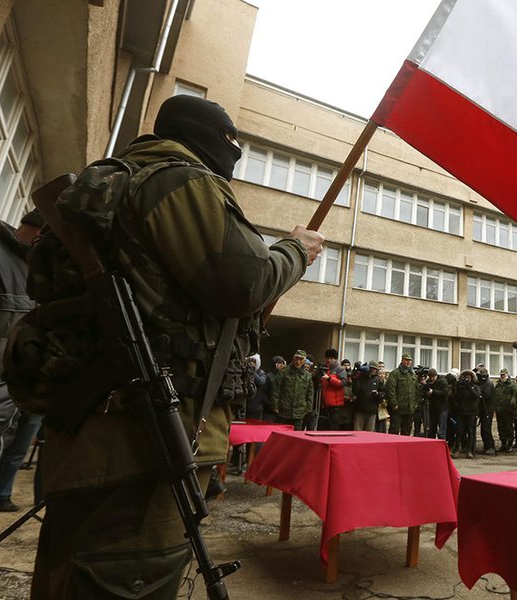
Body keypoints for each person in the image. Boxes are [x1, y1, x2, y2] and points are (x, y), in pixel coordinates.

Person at [30, 95, 322, 598]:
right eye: (232, 142)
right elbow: (244, 282)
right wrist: (296, 249)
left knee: (76, 573)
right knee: (130, 576)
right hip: (146, 438)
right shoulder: (179, 180)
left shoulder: (115, 184)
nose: (234, 154)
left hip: (98, 431)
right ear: (205, 136)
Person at [0, 209, 44, 513]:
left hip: (30, 375)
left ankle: (1, 493)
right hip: (1, 377)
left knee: (21, 440)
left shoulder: (40, 266)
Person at [272, 349, 314, 430]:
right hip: (284, 411)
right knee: (282, 436)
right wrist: (275, 406)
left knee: (296, 437)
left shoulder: (307, 376)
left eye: (301, 359)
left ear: (304, 361)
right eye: (296, 359)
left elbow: (310, 393)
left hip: (299, 413)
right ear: (293, 359)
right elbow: (276, 390)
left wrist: (308, 408)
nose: (298, 362)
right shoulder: (284, 372)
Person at [387, 353, 419, 435]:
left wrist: (415, 404)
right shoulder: (395, 373)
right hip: (398, 409)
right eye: (406, 360)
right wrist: (394, 404)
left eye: (410, 360)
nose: (408, 362)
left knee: (407, 431)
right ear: (402, 361)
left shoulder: (413, 374)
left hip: (410, 408)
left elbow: (417, 390)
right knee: (394, 430)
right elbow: (391, 389)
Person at [319, 349, 348, 430]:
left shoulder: (340, 370)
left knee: (333, 428)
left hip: (335, 406)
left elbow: (342, 383)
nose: (329, 360)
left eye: (331, 358)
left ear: (335, 359)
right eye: (327, 358)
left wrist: (329, 379)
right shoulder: (325, 369)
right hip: (325, 405)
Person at [352, 361, 384, 432]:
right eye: (371, 368)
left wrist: (377, 394)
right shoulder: (361, 378)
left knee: (370, 432)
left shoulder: (378, 380)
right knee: (357, 431)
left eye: (374, 369)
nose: (373, 370)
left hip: (372, 410)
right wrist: (355, 378)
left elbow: (383, 393)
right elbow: (355, 391)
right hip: (360, 409)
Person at [493, 369, 517, 452]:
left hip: (508, 410)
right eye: (501, 375)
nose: (502, 376)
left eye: (504, 374)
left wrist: (512, 402)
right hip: (499, 410)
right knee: (501, 428)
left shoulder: (511, 384)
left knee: (509, 428)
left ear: (507, 375)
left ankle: (510, 444)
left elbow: (516, 394)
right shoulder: (498, 384)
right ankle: (503, 444)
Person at [476, 367, 496, 454]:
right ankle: (487, 446)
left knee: (486, 429)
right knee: (483, 429)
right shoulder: (483, 383)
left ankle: (490, 446)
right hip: (483, 409)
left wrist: (479, 391)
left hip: (488, 409)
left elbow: (486, 395)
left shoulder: (488, 384)